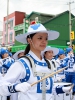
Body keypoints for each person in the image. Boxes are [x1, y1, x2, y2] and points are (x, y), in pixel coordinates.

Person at [0, 23, 73, 100]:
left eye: (46, 38)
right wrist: (16, 87)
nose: (44, 41)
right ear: (29, 40)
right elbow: (2, 87)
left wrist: (62, 89)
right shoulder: (22, 63)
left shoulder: (48, 64)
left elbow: (46, 90)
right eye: (40, 38)